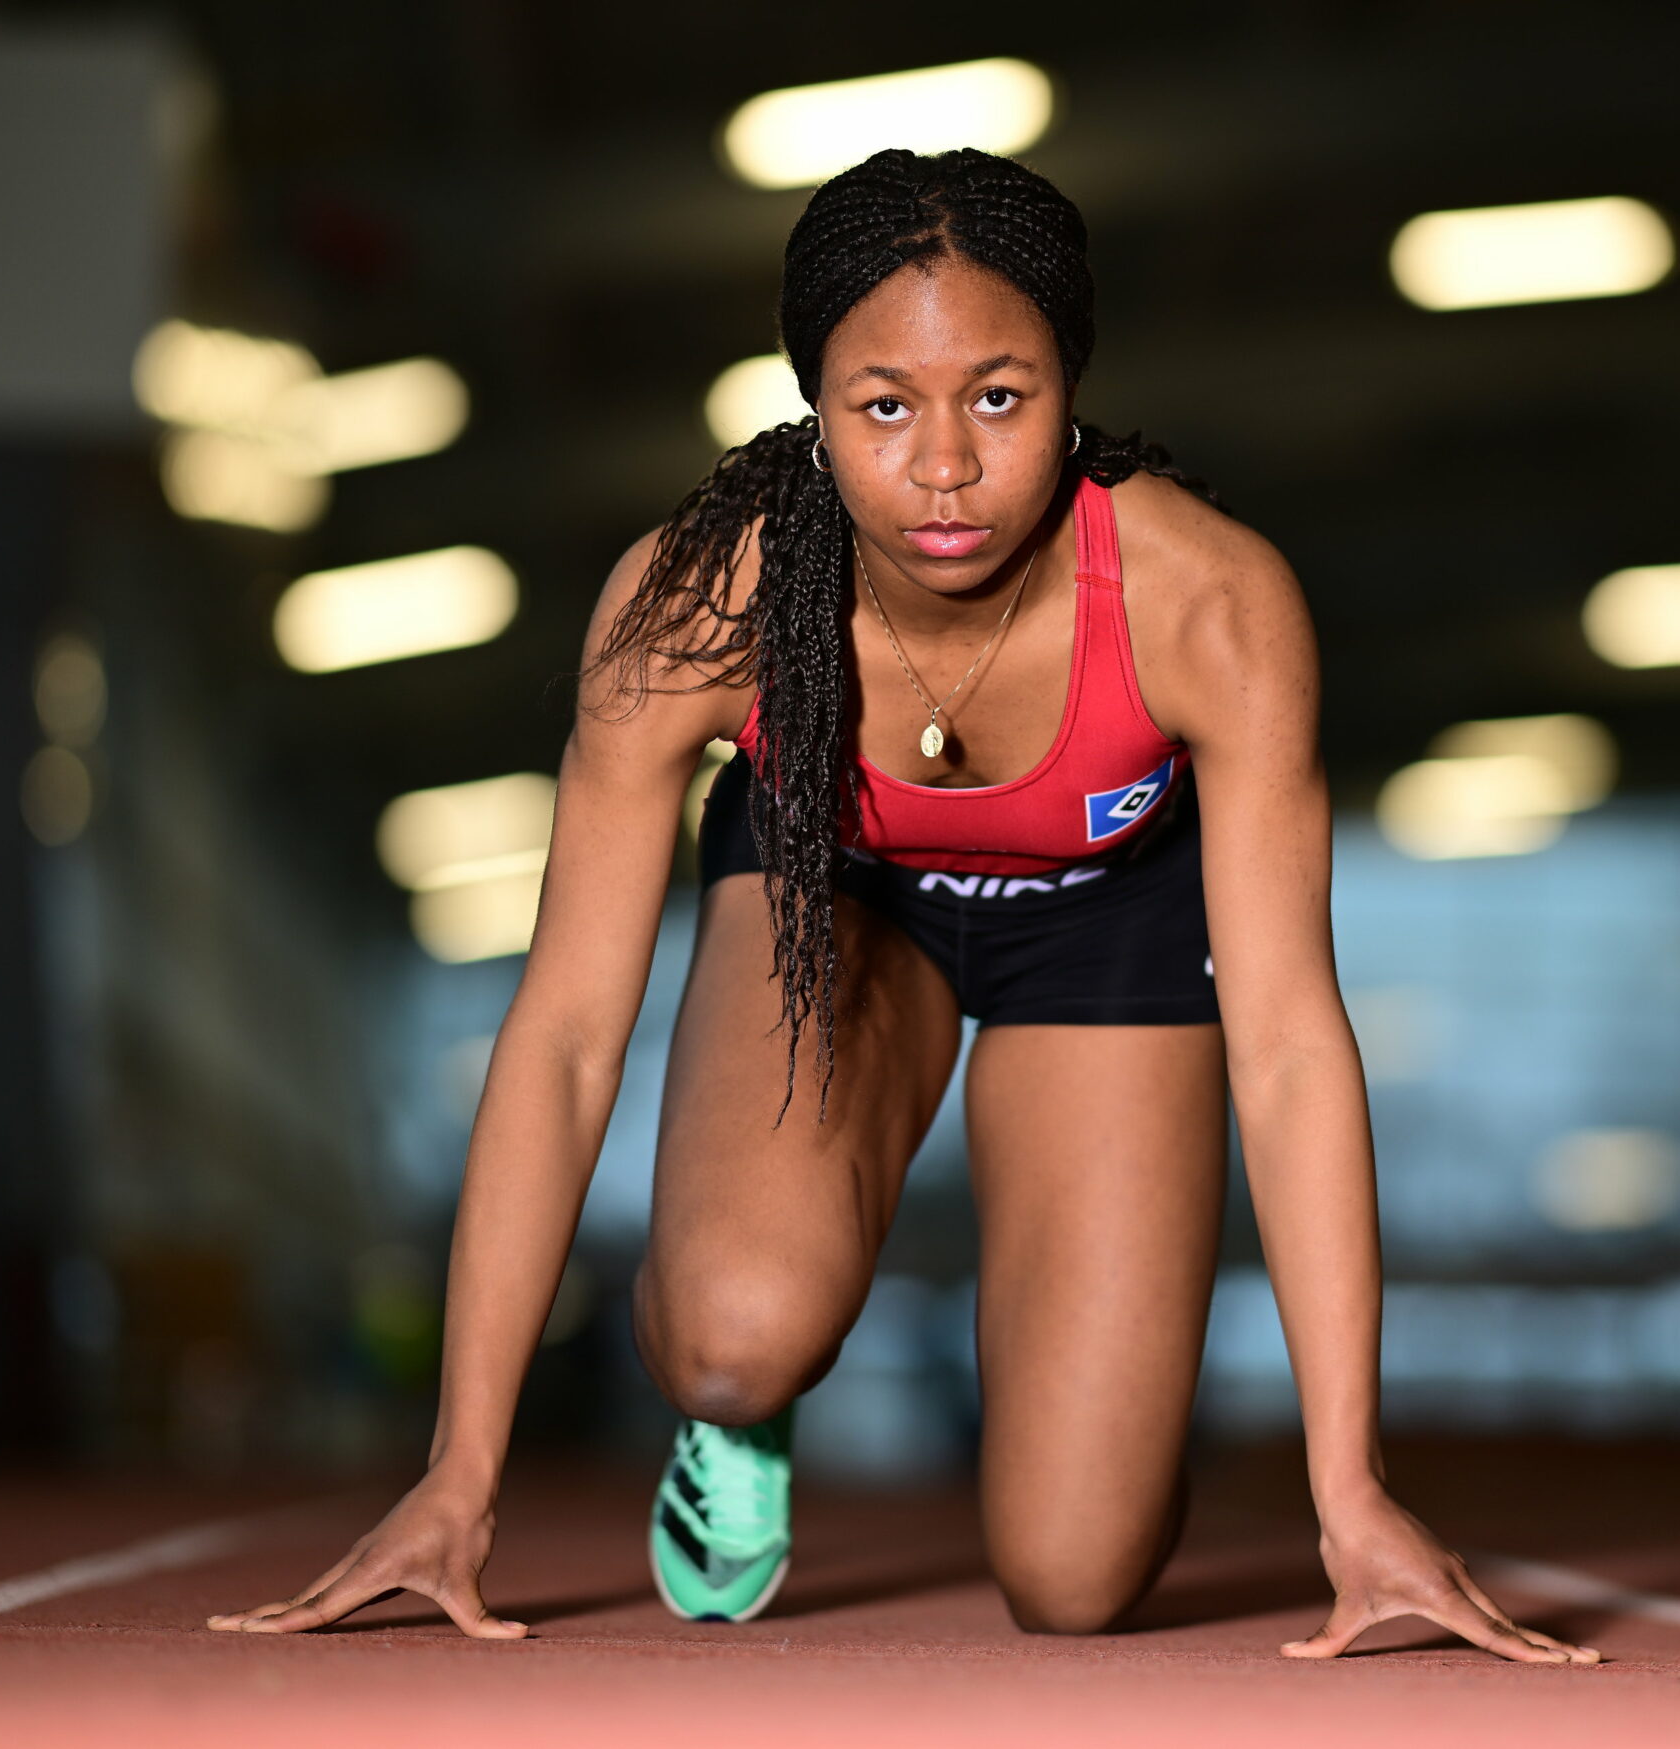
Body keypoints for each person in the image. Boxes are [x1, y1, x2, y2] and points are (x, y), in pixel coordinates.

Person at [207, 147, 1596, 1665]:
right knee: (740, 1335)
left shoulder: (1212, 608)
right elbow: (562, 1038)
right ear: (815, 403)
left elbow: (1288, 1046)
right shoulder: (697, 605)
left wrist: (1351, 1491)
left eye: (998, 397)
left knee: (1077, 1580)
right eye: (884, 406)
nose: (943, 466)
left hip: (1107, 931)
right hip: (830, 893)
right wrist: (459, 1473)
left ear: (1070, 386)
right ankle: (731, 1412)